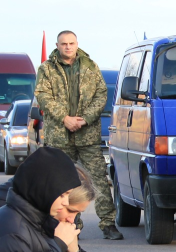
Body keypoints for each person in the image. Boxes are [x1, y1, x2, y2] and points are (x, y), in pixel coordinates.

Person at [35, 30, 122, 240]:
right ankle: (71, 224)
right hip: (59, 136)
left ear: (77, 44)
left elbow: (101, 94)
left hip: (87, 135)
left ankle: (108, 224)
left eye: (71, 43)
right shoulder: (47, 69)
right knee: (62, 183)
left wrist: (85, 118)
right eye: (63, 44)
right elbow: (43, 96)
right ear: (57, 45)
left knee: (98, 180)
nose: (68, 47)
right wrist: (64, 118)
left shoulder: (90, 67)